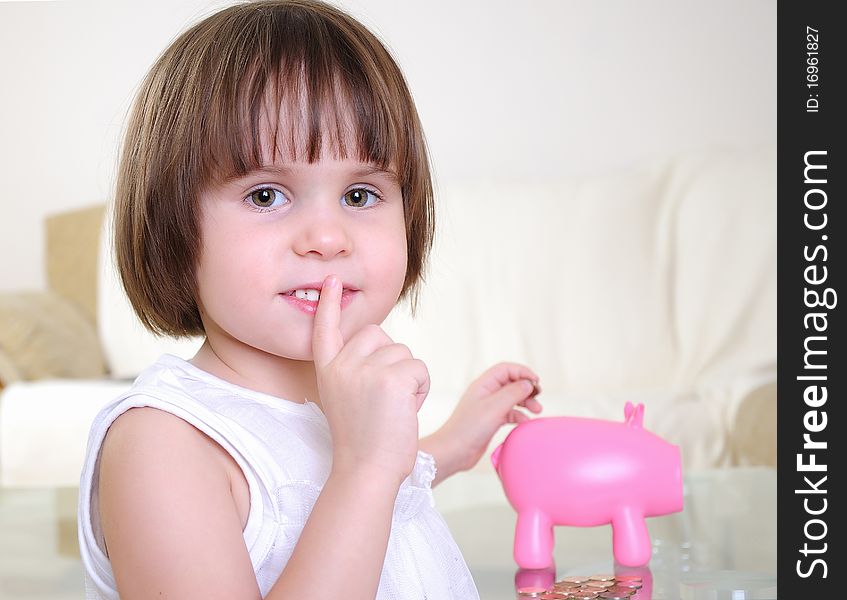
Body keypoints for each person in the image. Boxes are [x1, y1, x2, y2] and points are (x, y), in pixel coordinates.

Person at [77, 1, 542, 598]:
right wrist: (366, 469)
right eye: (267, 195)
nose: (328, 238)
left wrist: (442, 447)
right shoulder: (163, 446)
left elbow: (299, 481)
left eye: (359, 194)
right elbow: (329, 486)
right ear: (172, 222)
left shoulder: (336, 415)